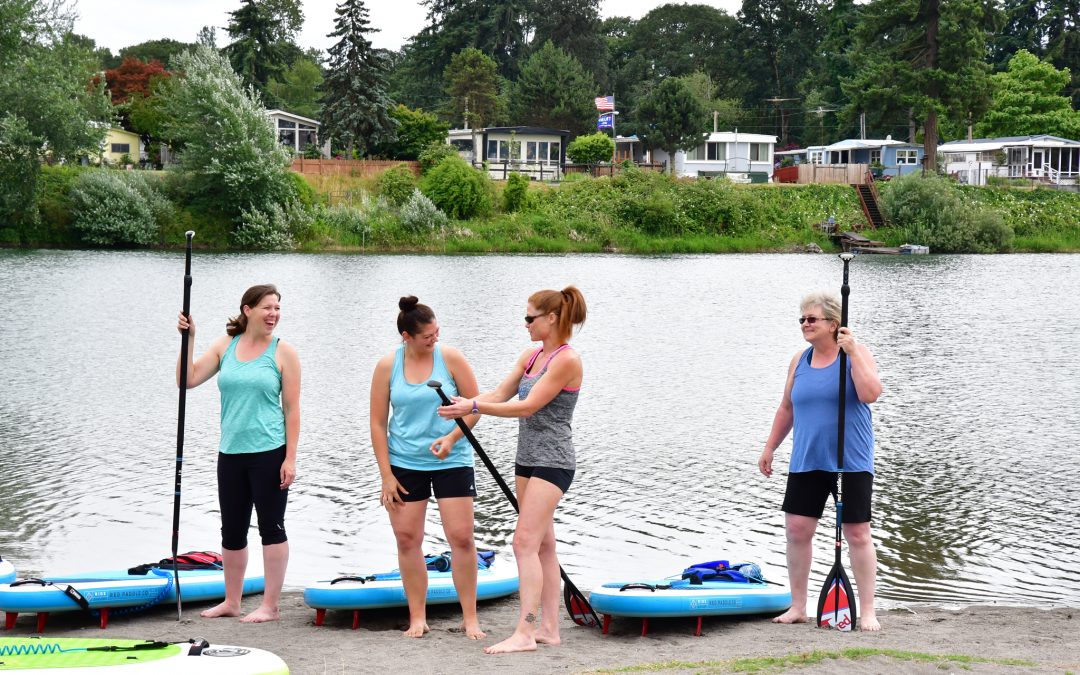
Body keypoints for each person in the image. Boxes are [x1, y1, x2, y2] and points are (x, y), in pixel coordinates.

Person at [438, 286, 587, 654]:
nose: (525, 324)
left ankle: (525, 631)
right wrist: (464, 407)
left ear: (551, 318)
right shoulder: (532, 355)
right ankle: (550, 629)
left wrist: (474, 406)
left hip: (554, 461)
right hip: (527, 459)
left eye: (529, 317)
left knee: (523, 542)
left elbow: (527, 407)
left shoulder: (567, 360)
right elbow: (500, 395)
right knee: (544, 545)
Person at [757, 291, 882, 631]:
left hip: (850, 461)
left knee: (857, 533)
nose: (805, 324)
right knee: (797, 530)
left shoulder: (855, 355)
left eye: (812, 319)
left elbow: (871, 393)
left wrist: (853, 352)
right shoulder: (799, 360)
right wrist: (770, 448)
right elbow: (787, 408)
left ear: (833, 324)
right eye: (802, 319)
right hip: (807, 459)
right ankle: (798, 606)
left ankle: (868, 611)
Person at [175, 284, 300, 623]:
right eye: (267, 308)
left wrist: (290, 458)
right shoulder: (225, 346)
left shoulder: (282, 352)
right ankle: (232, 601)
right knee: (232, 530)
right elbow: (186, 379)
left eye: (277, 308)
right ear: (248, 310)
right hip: (230, 452)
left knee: (272, 527)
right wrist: (189, 339)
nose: (273, 314)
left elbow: (292, 409)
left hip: (269, 452)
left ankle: (270, 607)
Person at [370, 296, 485, 639]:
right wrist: (386, 476)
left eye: (437, 332)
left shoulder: (450, 358)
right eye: (427, 336)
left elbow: (475, 407)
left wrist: (450, 439)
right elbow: (377, 423)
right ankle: (417, 617)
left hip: (452, 459)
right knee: (407, 539)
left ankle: (470, 619)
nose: (435, 339)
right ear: (406, 336)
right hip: (404, 462)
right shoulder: (387, 365)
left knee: (462, 537)